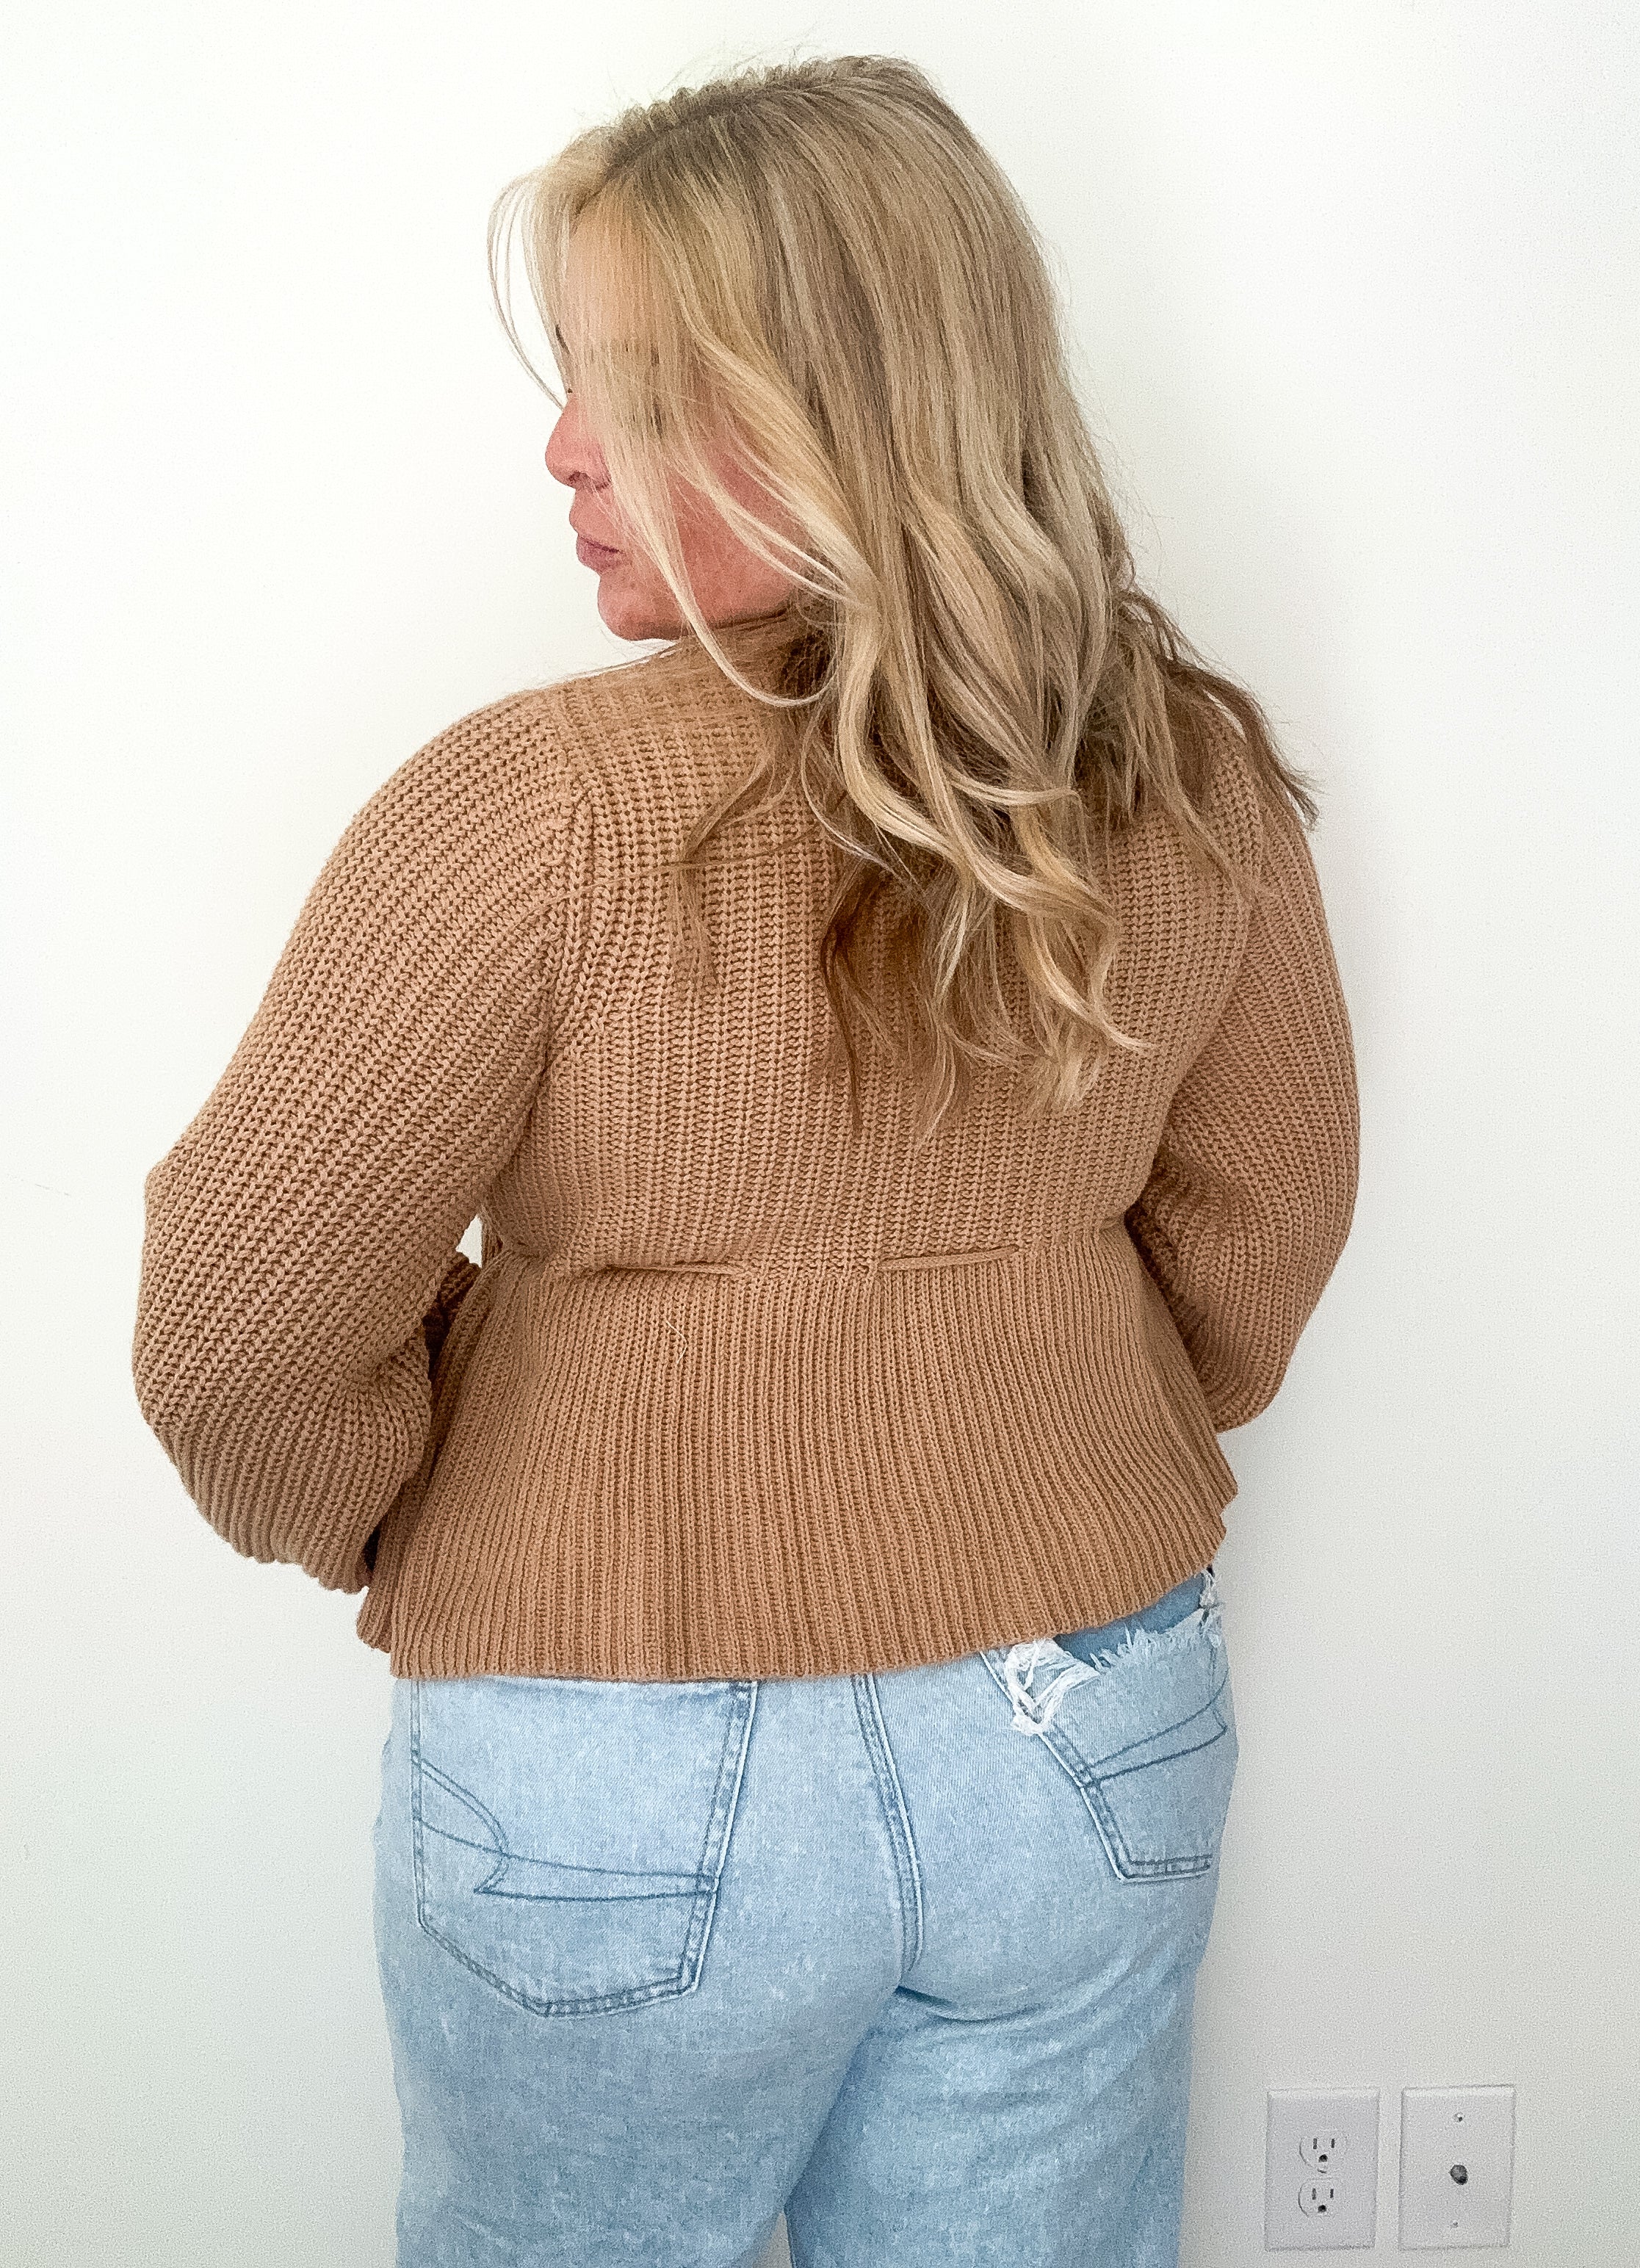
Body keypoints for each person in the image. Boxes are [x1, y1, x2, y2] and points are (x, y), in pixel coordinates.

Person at [131, 51, 1359, 2268]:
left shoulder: (525, 810)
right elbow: (1259, 1243)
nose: (560, 451)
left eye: (630, 390)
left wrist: (448, 1515)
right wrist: (1034, 1427)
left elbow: (236, 1333)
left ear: (833, 414)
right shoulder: (1184, 779)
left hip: (603, 1748)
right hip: (1083, 1722)